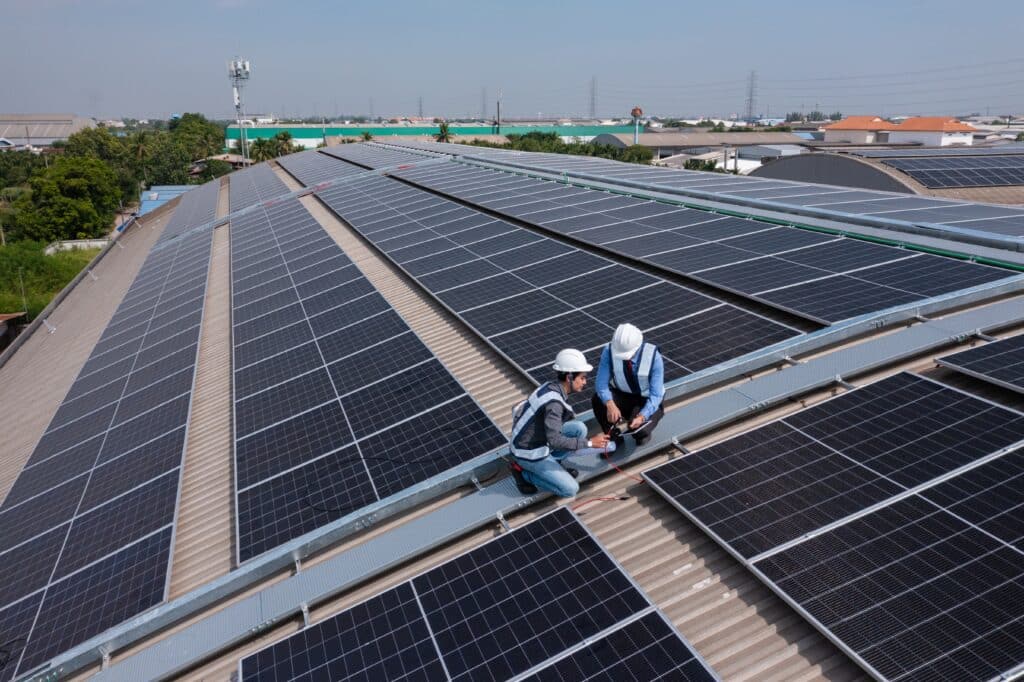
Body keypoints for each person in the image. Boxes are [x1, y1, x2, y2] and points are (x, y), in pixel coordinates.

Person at [508, 348, 612, 496]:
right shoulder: (554, 404)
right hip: (528, 453)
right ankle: (523, 474)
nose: (585, 382)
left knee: (579, 429)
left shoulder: (550, 387)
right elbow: (555, 441)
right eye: (582, 378)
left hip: (531, 439)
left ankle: (554, 464)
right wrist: (589, 443)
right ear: (569, 377)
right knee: (570, 489)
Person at [592, 323, 665, 446]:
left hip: (646, 400)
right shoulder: (609, 351)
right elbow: (601, 384)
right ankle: (612, 437)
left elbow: (656, 395)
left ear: (638, 346)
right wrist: (610, 404)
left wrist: (642, 416)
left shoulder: (654, 357)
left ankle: (641, 429)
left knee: (638, 432)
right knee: (598, 400)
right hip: (623, 396)